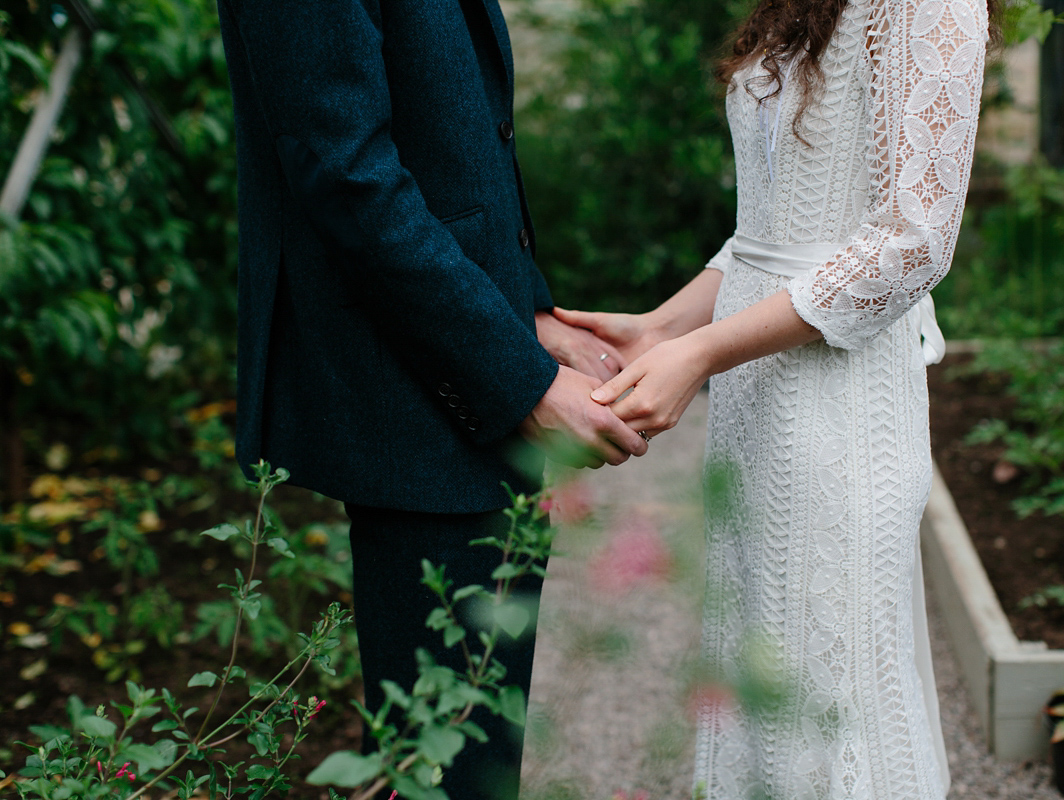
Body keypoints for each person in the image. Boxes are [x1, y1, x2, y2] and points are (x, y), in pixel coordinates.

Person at [556, 0, 998, 796]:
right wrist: (661, 330)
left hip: (842, 400)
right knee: (759, 679)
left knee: (834, 687)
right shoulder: (805, 7)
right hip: (757, 403)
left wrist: (704, 352)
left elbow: (912, 242)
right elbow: (766, 233)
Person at [214, 1, 647, 798]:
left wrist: (530, 317)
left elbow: (457, 131)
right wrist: (520, 380)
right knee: (451, 771)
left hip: (461, 359)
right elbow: (345, 172)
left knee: (477, 745)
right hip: (411, 393)